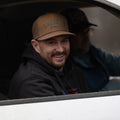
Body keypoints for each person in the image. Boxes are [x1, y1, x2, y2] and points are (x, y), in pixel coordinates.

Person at [8, 13, 90, 99]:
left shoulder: (73, 71)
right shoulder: (32, 82)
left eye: (64, 41)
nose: (60, 49)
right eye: (52, 42)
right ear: (36, 46)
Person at [60, 8, 120, 92]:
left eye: (87, 31)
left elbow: (116, 63)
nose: (86, 37)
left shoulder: (92, 52)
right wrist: (115, 84)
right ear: (67, 38)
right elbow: (87, 101)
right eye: (80, 33)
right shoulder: (64, 67)